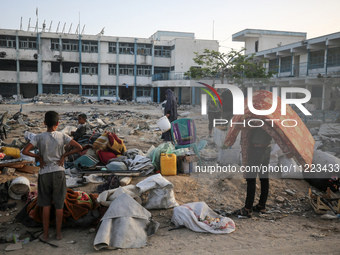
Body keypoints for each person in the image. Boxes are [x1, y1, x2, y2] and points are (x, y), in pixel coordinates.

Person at [22, 111, 83, 241]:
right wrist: (64, 156)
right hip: (59, 172)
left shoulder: (39, 137)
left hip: (44, 173)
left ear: (44, 123)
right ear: (57, 123)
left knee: (45, 204)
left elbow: (25, 151)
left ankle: (45, 234)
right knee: (59, 204)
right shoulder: (62, 136)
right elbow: (79, 147)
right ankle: (59, 233)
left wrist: (38, 156)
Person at [234, 127, 272, 218]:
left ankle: (247, 209)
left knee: (251, 178)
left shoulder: (257, 115)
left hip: (256, 150)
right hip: (267, 148)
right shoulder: (270, 116)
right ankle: (261, 206)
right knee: (264, 178)